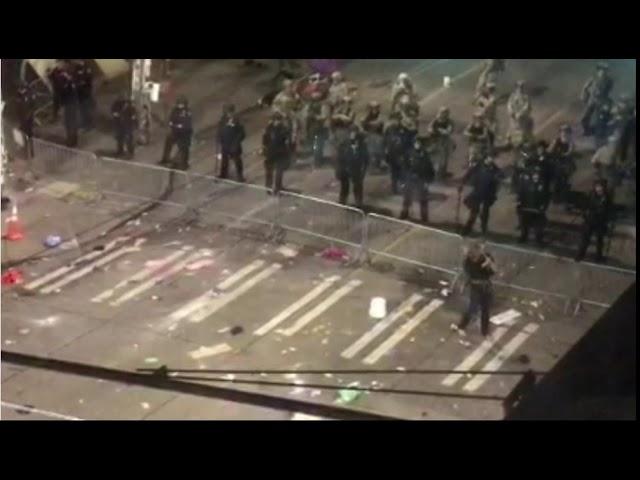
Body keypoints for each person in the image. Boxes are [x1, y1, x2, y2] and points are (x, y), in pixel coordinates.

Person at [452, 242, 496, 338]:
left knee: (486, 310)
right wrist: (483, 265)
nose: (475, 255)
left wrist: (489, 265)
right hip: (476, 287)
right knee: (473, 309)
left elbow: (493, 271)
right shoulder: (468, 262)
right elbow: (473, 272)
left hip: (486, 286)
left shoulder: (486, 257)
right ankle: (462, 326)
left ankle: (485, 331)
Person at [458, 155, 503, 236]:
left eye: (492, 158)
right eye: (489, 158)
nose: (491, 160)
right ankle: (466, 231)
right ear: (486, 158)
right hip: (477, 194)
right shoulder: (479, 166)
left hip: (487, 195)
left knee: (484, 215)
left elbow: (500, 176)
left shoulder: (494, 169)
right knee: (473, 214)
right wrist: (462, 183)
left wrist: (496, 183)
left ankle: (483, 231)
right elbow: (469, 173)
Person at [575, 180, 612, 263]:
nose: (599, 188)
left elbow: (609, 209)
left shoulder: (607, 197)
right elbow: (584, 205)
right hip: (589, 221)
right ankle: (579, 255)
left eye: (601, 186)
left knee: (599, 241)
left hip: (600, 222)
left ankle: (598, 257)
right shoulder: (590, 195)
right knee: (585, 240)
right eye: (598, 186)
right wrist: (584, 214)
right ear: (595, 187)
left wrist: (608, 220)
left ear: (604, 188)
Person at [400, 136, 435, 222]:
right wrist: (403, 180)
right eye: (416, 143)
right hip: (410, 179)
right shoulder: (409, 153)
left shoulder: (425, 155)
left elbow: (430, 169)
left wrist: (428, 181)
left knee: (423, 199)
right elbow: (404, 167)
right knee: (407, 198)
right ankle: (404, 213)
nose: (417, 145)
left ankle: (424, 217)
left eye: (419, 143)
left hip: (421, 180)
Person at [335, 126, 369, 208]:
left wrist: (364, 169)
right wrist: (338, 169)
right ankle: (342, 201)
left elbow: (366, 157)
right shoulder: (343, 143)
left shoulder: (362, 144)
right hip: (345, 167)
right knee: (344, 186)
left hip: (356, 168)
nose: (353, 134)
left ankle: (358, 203)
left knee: (358, 186)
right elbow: (338, 157)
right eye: (352, 132)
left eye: (355, 132)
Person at [516, 168, 549, 245]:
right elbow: (521, 193)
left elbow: (546, 197)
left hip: (537, 209)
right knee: (524, 224)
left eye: (537, 174)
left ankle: (538, 239)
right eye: (534, 174)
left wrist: (543, 206)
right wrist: (519, 202)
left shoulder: (542, 184)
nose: (536, 176)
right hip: (526, 207)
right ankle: (523, 237)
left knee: (538, 226)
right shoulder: (526, 183)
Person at [262, 112, 292, 194]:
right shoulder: (283, 128)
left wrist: (265, 149)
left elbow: (264, 140)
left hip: (270, 152)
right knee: (279, 170)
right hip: (280, 152)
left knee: (269, 170)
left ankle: (268, 187)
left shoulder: (268, 128)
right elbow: (287, 139)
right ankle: (278, 187)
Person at [581, 62, 614, 136]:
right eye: (602, 70)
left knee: (600, 118)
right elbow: (585, 87)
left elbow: (608, 92)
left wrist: (606, 102)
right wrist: (584, 96)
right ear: (599, 70)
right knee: (585, 118)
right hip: (592, 100)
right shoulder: (593, 78)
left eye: (605, 70)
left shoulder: (609, 81)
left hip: (601, 101)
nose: (603, 72)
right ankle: (586, 130)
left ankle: (599, 132)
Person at [160, 97, 193, 170]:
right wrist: (173, 124)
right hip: (176, 131)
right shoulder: (175, 110)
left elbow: (186, 123)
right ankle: (165, 159)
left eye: (181, 104)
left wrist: (177, 125)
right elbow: (172, 119)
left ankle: (184, 164)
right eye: (178, 104)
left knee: (184, 148)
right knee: (168, 141)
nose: (179, 105)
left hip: (185, 133)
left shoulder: (187, 112)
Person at [548, 124, 576, 204]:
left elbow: (569, 152)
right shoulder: (556, 140)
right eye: (562, 131)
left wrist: (564, 154)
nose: (564, 133)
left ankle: (564, 196)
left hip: (566, 164)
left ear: (569, 133)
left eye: (566, 132)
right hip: (557, 162)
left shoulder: (571, 143)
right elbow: (549, 150)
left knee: (567, 180)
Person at [384, 112, 409, 194]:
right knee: (394, 172)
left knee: (402, 171)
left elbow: (407, 141)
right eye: (394, 120)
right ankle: (394, 188)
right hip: (392, 153)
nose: (395, 121)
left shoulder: (403, 129)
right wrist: (385, 151)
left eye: (397, 119)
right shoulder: (389, 129)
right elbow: (385, 141)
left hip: (401, 154)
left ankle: (402, 187)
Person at [217, 113, 246, 181]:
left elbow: (242, 134)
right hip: (225, 145)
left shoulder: (237, 124)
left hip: (234, 146)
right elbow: (220, 132)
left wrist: (236, 142)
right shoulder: (223, 123)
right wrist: (220, 140)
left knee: (237, 161)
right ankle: (223, 174)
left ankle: (240, 176)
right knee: (224, 161)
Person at [429, 106, 455, 180]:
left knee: (444, 158)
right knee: (436, 158)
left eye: (444, 113)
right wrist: (434, 130)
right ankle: (436, 174)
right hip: (436, 141)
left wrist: (438, 130)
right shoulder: (435, 120)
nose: (442, 114)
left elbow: (448, 131)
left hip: (445, 141)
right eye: (441, 112)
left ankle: (443, 173)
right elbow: (430, 129)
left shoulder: (449, 121)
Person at [305, 91, 330, 167]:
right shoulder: (310, 105)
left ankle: (318, 162)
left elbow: (323, 117)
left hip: (320, 127)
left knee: (318, 145)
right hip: (313, 127)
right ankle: (317, 161)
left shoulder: (323, 105)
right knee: (316, 145)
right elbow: (306, 115)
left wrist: (314, 116)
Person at [507, 80, 533, 148]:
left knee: (523, 131)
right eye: (518, 87)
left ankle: (525, 143)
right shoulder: (512, 96)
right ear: (516, 87)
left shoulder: (526, 97)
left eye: (521, 87)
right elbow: (509, 105)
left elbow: (527, 106)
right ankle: (510, 143)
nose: (520, 88)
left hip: (523, 118)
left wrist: (520, 113)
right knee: (513, 129)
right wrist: (511, 112)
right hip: (514, 118)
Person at [360, 101, 385, 171]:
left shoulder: (380, 116)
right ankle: (370, 166)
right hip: (369, 135)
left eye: (375, 108)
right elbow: (363, 124)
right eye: (372, 108)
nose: (374, 109)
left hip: (378, 135)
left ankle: (380, 163)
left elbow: (378, 124)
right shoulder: (367, 116)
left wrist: (369, 124)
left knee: (378, 149)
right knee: (369, 150)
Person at [16, 81, 37, 158]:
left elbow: (33, 106)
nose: (19, 90)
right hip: (22, 120)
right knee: (23, 136)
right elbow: (18, 108)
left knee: (29, 136)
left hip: (28, 120)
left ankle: (31, 152)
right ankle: (25, 152)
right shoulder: (19, 96)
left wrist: (29, 115)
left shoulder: (29, 95)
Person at [474, 82, 498, 147]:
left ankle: (490, 148)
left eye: (490, 89)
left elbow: (488, 107)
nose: (488, 90)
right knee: (480, 133)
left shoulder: (493, 98)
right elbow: (477, 104)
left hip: (490, 119)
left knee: (490, 134)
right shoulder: (484, 97)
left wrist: (482, 102)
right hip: (482, 119)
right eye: (487, 88)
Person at [73, 59, 94, 130]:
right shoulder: (76, 67)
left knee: (86, 108)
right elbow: (75, 78)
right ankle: (84, 122)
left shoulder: (86, 67)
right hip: (79, 92)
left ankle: (89, 124)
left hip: (85, 91)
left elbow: (88, 78)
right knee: (82, 109)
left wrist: (81, 82)